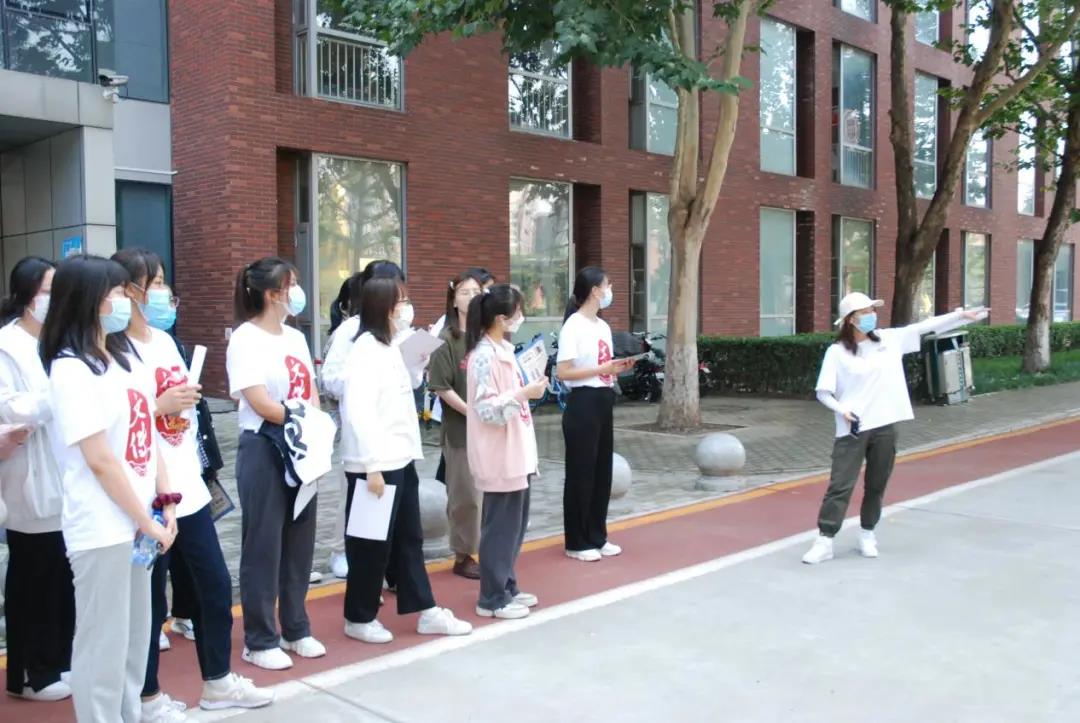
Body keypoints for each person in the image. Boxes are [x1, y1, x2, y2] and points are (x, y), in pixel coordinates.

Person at [113, 248, 274, 718]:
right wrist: (158, 406)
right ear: (128, 291)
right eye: (155, 283)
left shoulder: (166, 342)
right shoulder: (112, 352)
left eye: (164, 282)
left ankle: (217, 681)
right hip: (145, 496)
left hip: (187, 486)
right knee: (148, 601)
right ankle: (146, 696)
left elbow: (179, 410)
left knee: (213, 585)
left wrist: (182, 405)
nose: (163, 292)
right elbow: (116, 421)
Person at [41, 254, 177, 722]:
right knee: (103, 641)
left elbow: (147, 434)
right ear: (89, 300)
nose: (126, 301)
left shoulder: (123, 356)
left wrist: (165, 503)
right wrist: (145, 520)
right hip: (102, 527)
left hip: (139, 523)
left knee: (137, 636)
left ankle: (128, 714)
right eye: (117, 292)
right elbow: (99, 459)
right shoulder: (71, 369)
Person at [802, 292, 987, 565]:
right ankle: (825, 540)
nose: (871, 316)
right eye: (865, 312)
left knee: (877, 483)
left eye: (872, 311)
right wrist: (842, 411)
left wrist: (960, 316)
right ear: (851, 319)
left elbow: (924, 327)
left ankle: (867, 533)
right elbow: (823, 392)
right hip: (853, 428)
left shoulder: (889, 340)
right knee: (840, 485)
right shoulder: (837, 352)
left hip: (885, 425)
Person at [339, 277, 472, 644]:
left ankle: (425, 609)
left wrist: (420, 359)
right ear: (384, 307)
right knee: (370, 543)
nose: (406, 309)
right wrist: (371, 466)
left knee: (408, 539)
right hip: (374, 463)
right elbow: (359, 412)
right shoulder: (365, 350)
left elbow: (409, 385)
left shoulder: (392, 345)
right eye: (401, 302)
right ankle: (358, 616)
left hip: (400, 457)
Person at [226, 257, 325, 670]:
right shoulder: (245, 339)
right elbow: (260, 402)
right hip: (265, 446)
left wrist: (313, 427)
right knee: (263, 546)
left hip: (301, 446)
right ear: (272, 294)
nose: (297, 292)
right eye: (291, 284)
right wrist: (303, 420)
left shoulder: (295, 337)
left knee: (300, 542)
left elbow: (311, 391)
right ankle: (260, 638)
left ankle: (296, 628)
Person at [0, 257, 75, 702]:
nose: (54, 299)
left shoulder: (58, 339)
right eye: (49, 290)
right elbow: (10, 407)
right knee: (33, 577)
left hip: (64, 475)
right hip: (28, 474)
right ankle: (31, 673)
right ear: (28, 295)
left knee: (61, 577)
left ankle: (58, 660)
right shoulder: (7, 346)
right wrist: (54, 398)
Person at [320, 260, 406, 581]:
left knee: (391, 511)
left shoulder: (395, 333)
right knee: (359, 503)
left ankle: (388, 570)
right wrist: (360, 379)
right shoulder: (352, 332)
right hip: (362, 434)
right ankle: (343, 552)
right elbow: (330, 380)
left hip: (394, 438)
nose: (403, 305)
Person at [465, 284, 546, 619]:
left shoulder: (503, 350)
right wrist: (524, 394)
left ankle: (506, 585)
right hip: (500, 454)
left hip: (515, 451)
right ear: (501, 318)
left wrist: (526, 392)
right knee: (500, 528)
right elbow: (487, 410)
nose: (520, 317)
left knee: (513, 526)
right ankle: (492, 597)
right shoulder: (484, 356)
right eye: (517, 312)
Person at [556, 267, 634, 562]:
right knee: (581, 472)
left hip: (603, 397)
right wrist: (602, 369)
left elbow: (602, 365)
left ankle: (597, 535)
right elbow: (564, 372)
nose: (610, 290)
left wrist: (616, 368)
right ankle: (577, 541)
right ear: (595, 291)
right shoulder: (573, 326)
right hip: (583, 402)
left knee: (602, 471)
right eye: (607, 285)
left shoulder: (602, 326)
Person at [427, 271, 485, 579]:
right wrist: (471, 411)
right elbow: (441, 386)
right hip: (461, 431)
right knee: (465, 496)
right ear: (453, 300)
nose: (471, 297)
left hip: (490, 429)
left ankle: (485, 548)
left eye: (476, 291)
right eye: (464, 292)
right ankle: (464, 554)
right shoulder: (446, 339)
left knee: (487, 494)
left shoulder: (486, 336)